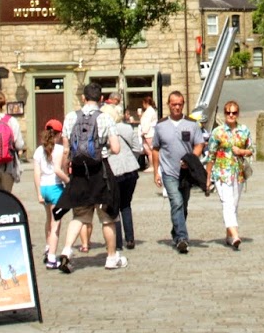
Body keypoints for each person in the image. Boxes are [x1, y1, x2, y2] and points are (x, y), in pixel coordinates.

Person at [54, 81, 124, 272]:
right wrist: (104, 147)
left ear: (83, 98)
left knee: (80, 215)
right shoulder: (106, 118)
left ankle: (67, 250)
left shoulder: (70, 117)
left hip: (78, 172)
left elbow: (66, 149)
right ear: (101, 99)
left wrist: (66, 170)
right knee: (107, 217)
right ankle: (111, 257)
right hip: (100, 172)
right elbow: (116, 148)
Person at [150, 90, 205, 253]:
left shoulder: (192, 124)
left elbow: (199, 144)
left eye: (180, 104)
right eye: (174, 104)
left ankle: (176, 232)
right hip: (169, 171)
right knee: (177, 202)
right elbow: (155, 149)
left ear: (183, 105)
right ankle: (182, 238)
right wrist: (156, 171)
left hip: (186, 173)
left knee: (183, 205)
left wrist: (191, 159)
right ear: (168, 104)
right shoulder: (161, 125)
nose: (177, 107)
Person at [207, 100, 254, 248]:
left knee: (233, 204)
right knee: (227, 203)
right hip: (222, 173)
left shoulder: (244, 130)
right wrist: (207, 177)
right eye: (228, 112)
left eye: (234, 112)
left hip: (238, 173)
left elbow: (251, 149)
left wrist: (241, 151)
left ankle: (229, 236)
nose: (231, 115)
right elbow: (211, 155)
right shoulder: (218, 132)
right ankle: (235, 235)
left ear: (238, 114)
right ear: (224, 113)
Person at [106, 109, 146, 250]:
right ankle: (130, 239)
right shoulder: (127, 128)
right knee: (126, 204)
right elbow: (137, 148)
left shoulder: (104, 130)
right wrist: (130, 160)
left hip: (113, 171)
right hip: (130, 170)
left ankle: (117, 242)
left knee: (114, 206)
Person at [33, 118, 67, 268]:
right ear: (59, 134)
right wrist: (68, 181)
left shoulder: (38, 150)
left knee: (48, 219)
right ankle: (52, 258)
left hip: (44, 188)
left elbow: (36, 173)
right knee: (56, 225)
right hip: (55, 188)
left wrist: (38, 193)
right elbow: (60, 170)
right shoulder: (59, 149)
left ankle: (48, 247)